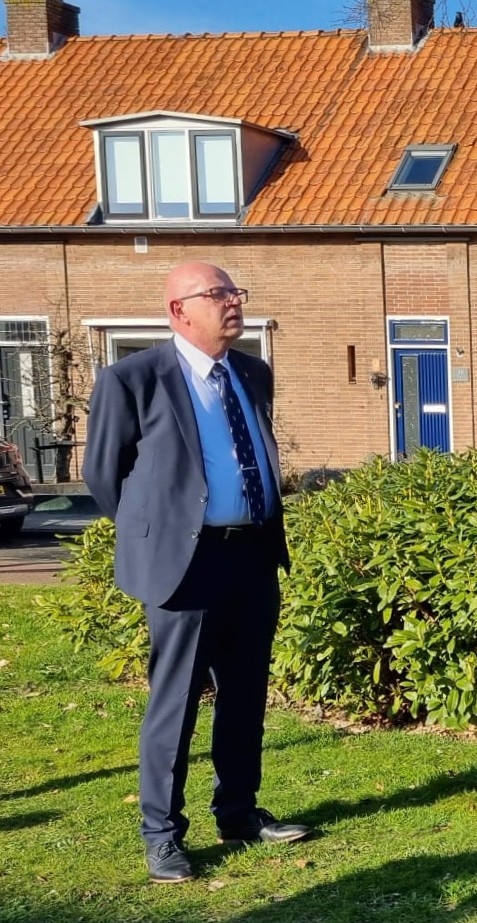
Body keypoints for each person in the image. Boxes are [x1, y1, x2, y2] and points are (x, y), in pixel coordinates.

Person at [83, 261, 309, 884]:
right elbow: (105, 477)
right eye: (218, 295)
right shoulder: (133, 379)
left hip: (253, 556)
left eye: (236, 292)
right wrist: (157, 533)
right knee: (175, 703)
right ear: (180, 310)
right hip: (184, 565)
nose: (233, 303)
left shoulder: (252, 373)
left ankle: (237, 812)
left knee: (244, 696)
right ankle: (161, 835)